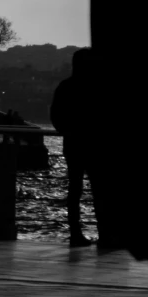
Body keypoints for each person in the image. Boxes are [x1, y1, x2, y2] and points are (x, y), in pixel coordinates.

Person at [49, 48, 101, 246]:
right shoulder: (96, 87)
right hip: (94, 146)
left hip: (73, 145)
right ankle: (105, 233)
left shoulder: (65, 87)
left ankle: (75, 232)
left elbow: (55, 116)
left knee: (74, 190)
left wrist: (68, 131)